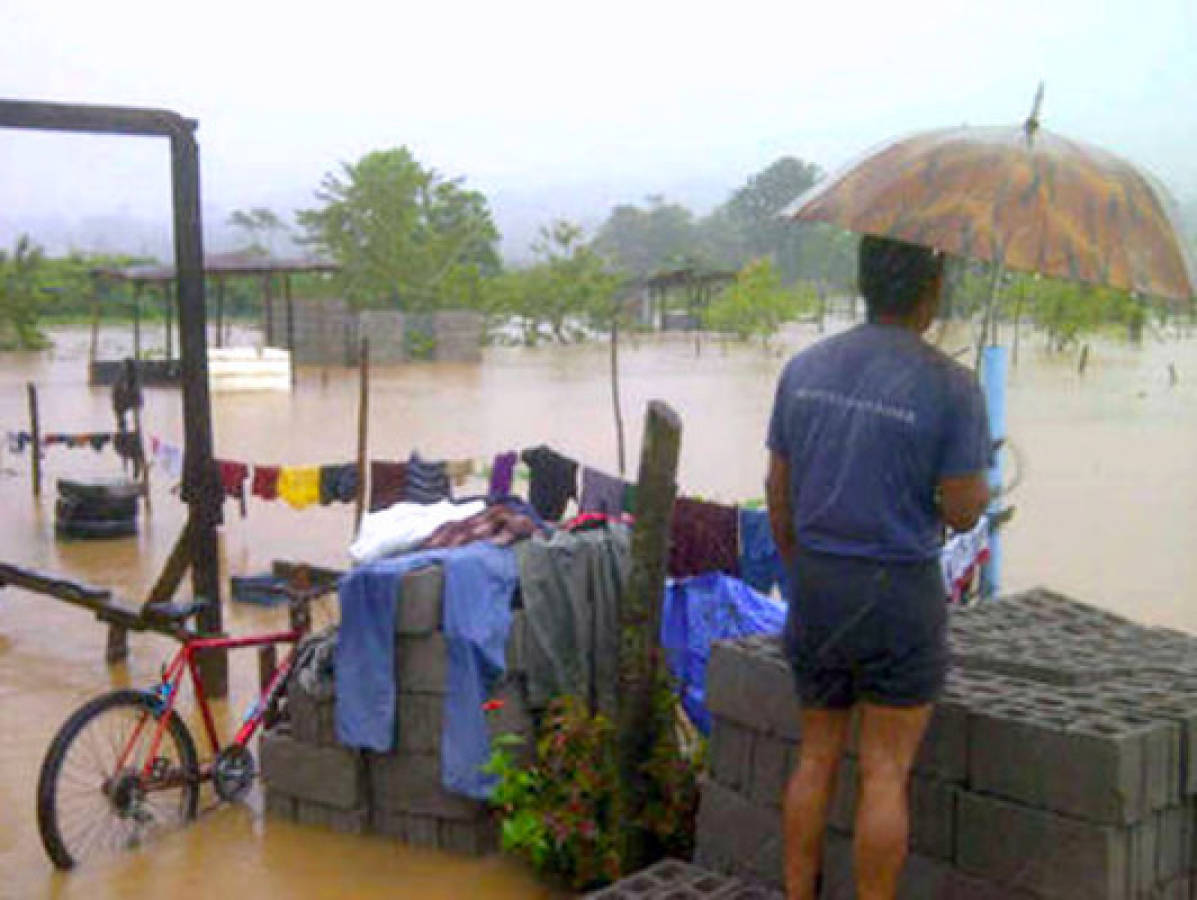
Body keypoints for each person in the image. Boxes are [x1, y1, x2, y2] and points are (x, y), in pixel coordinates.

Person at [765, 235, 990, 900]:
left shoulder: (802, 368)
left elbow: (778, 490)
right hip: (898, 593)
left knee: (815, 757)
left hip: (818, 583)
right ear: (933, 286)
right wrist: (977, 483)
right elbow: (960, 511)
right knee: (885, 772)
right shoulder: (953, 385)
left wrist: (801, 568)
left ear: (864, 281)